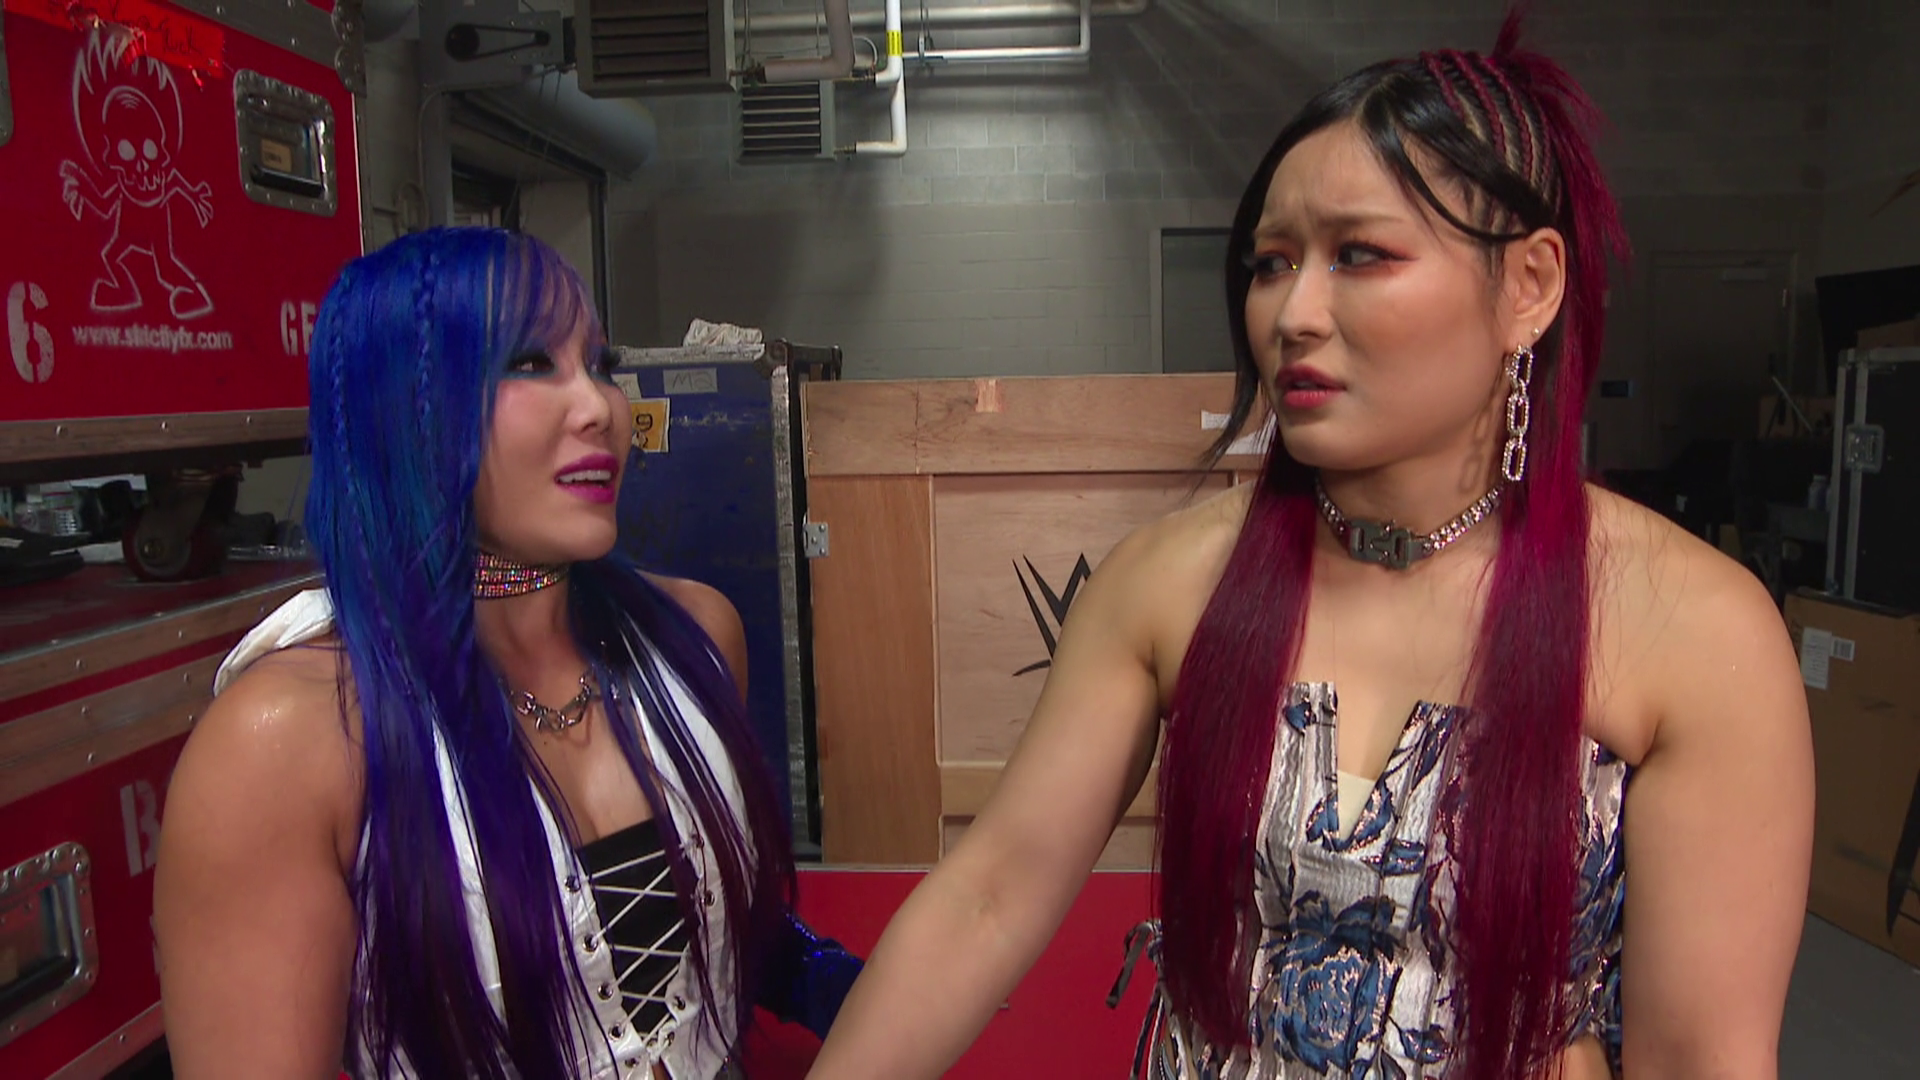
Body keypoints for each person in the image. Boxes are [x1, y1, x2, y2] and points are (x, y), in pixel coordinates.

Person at [805, 15, 1813, 1080]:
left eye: (1359, 255)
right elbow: (988, 896)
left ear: (1529, 285)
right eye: (1271, 263)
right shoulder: (1170, 584)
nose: (1294, 312)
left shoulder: (1692, 629)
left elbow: (1700, 1054)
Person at [155, 227, 859, 1080]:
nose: (599, 407)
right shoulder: (288, 740)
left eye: (598, 363)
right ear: (405, 406)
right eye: (530, 363)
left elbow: (704, 923)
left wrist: (837, 985)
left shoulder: (695, 638)